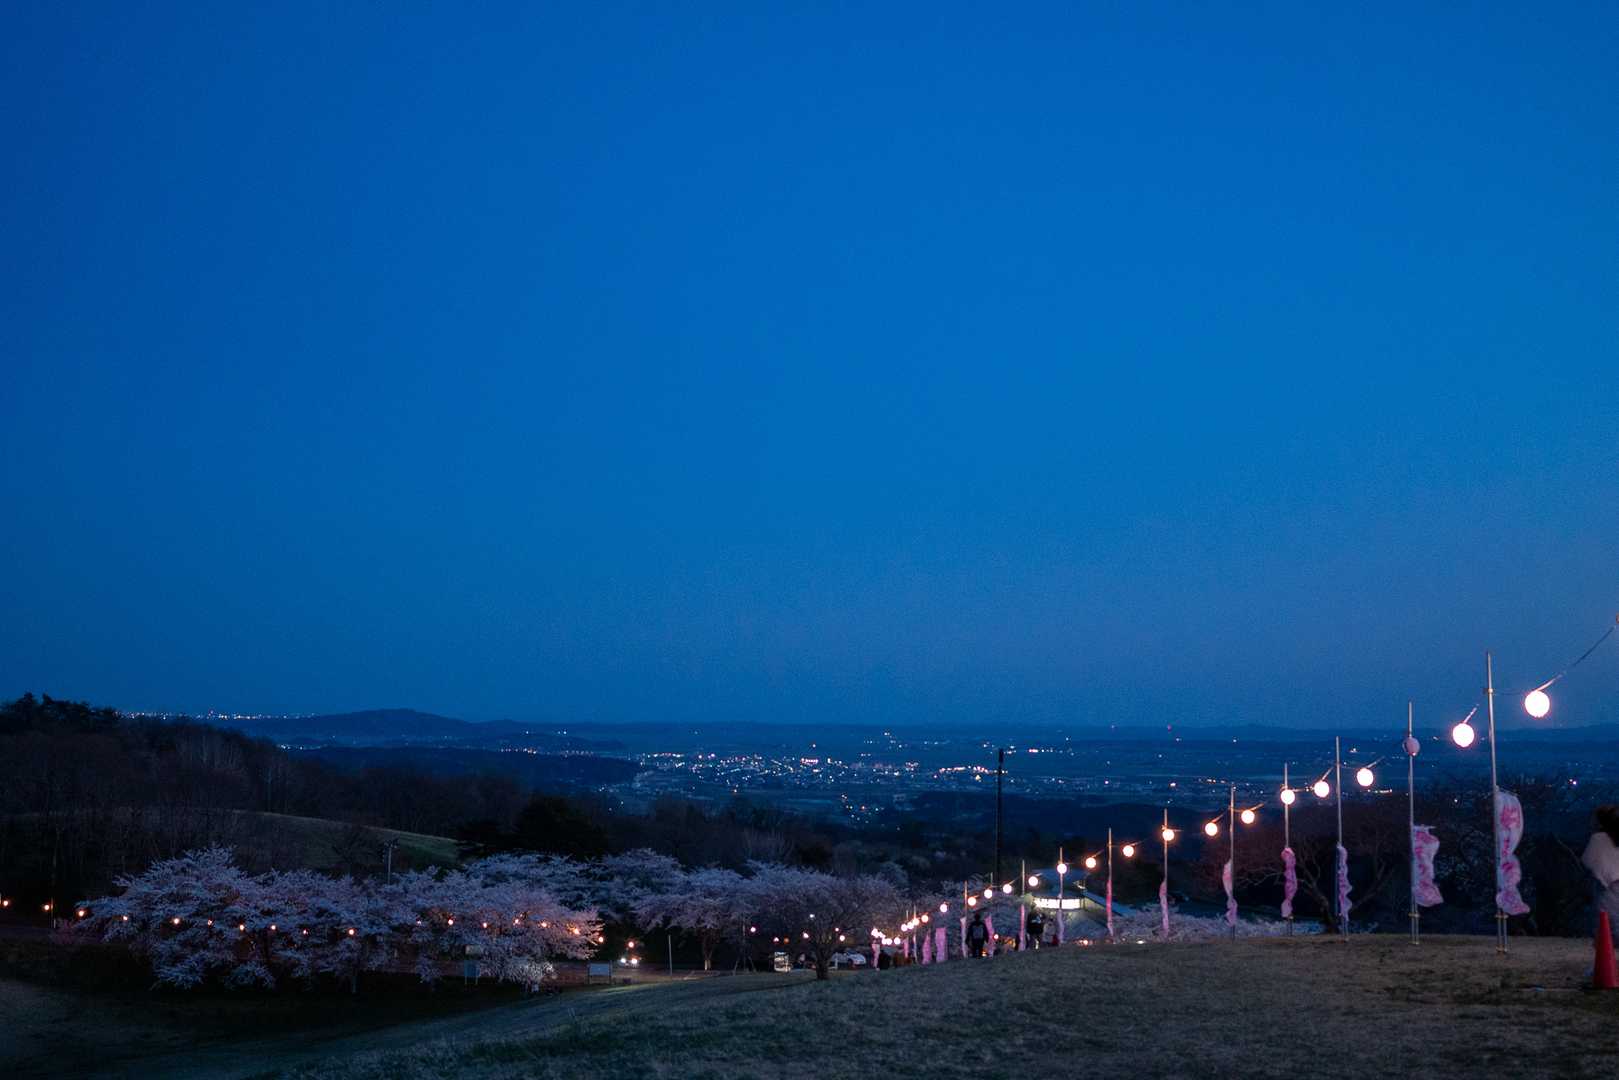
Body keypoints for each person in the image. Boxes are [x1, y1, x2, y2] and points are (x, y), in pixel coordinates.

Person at [1582, 804, 1619, 947]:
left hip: (1606, 891)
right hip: (1609, 890)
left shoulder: (1598, 839)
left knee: (1607, 927)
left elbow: (1588, 861)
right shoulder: (1600, 839)